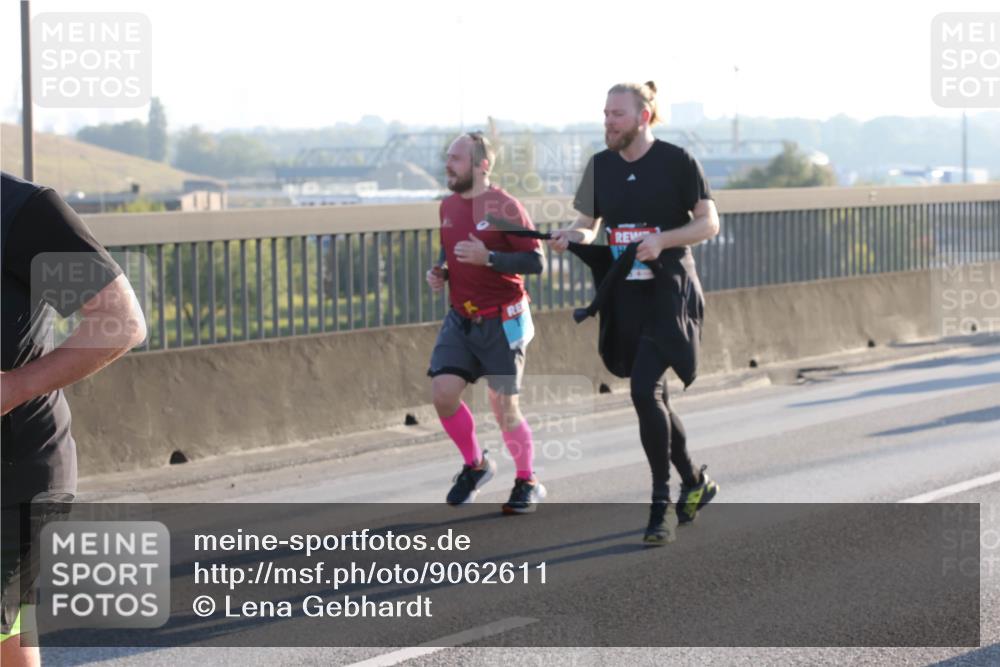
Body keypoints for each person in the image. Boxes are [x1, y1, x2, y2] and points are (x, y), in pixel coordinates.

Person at [549, 82, 721, 544]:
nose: (607, 121)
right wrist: (570, 237)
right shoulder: (600, 167)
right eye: (605, 113)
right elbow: (588, 228)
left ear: (643, 117)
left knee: (644, 390)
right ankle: (694, 481)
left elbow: (709, 221)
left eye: (617, 114)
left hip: (671, 296)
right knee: (654, 397)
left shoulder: (677, 161)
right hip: (627, 298)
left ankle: (659, 507)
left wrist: (662, 240)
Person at [1, 172, 147, 666]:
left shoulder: (21, 212)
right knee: (11, 637)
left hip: (13, 470)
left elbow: (118, 320)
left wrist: (14, 387)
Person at [426, 132, 547, 514]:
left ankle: (528, 481)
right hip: (462, 318)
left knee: (503, 407)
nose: (448, 164)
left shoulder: (504, 206)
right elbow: (452, 251)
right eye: (448, 156)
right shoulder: (447, 206)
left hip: (503, 320)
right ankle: (476, 465)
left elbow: (536, 262)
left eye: (457, 158)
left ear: (482, 165)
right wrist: (442, 271)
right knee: (443, 393)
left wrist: (490, 258)